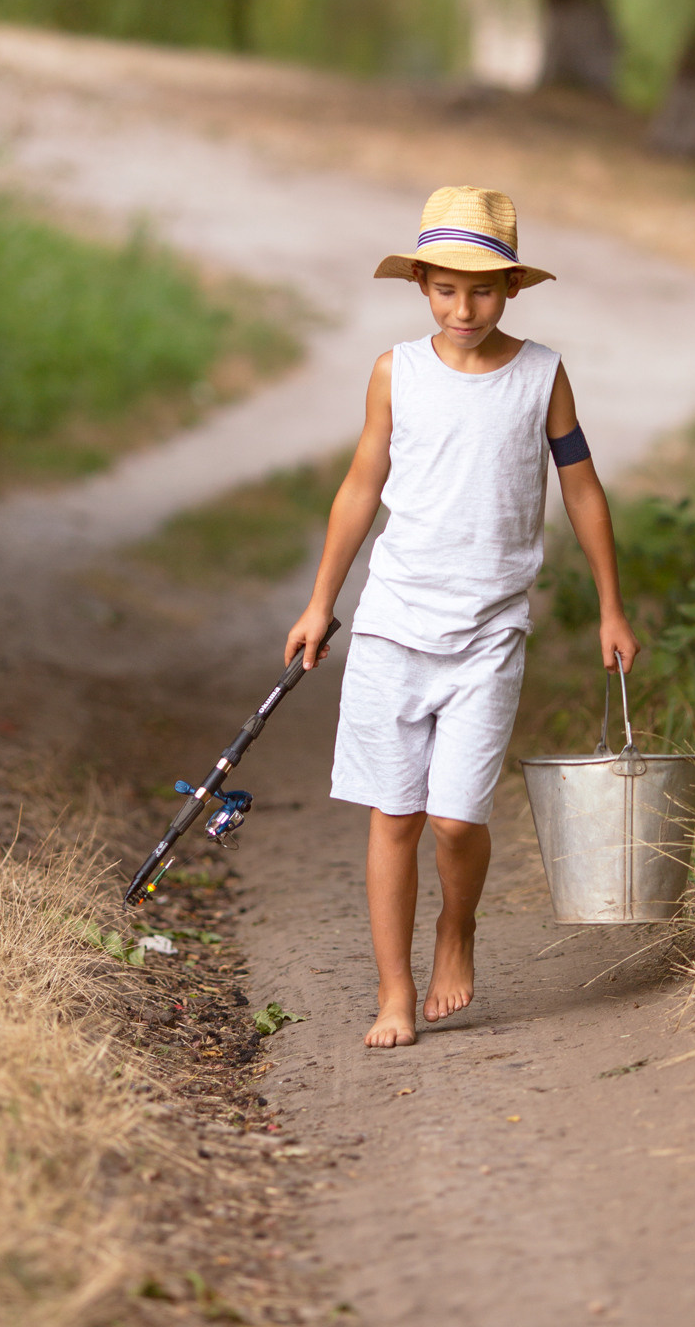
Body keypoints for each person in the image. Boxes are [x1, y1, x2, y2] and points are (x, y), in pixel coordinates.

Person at [285, 185, 639, 1048]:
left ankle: (458, 926)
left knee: (454, 820)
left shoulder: (541, 375)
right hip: (390, 624)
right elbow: (360, 487)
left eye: (481, 289)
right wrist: (320, 601)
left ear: (511, 290)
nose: (463, 307)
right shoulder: (394, 373)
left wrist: (610, 607)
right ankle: (393, 992)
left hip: (489, 633)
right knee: (394, 814)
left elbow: (580, 487)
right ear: (420, 288)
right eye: (445, 288)